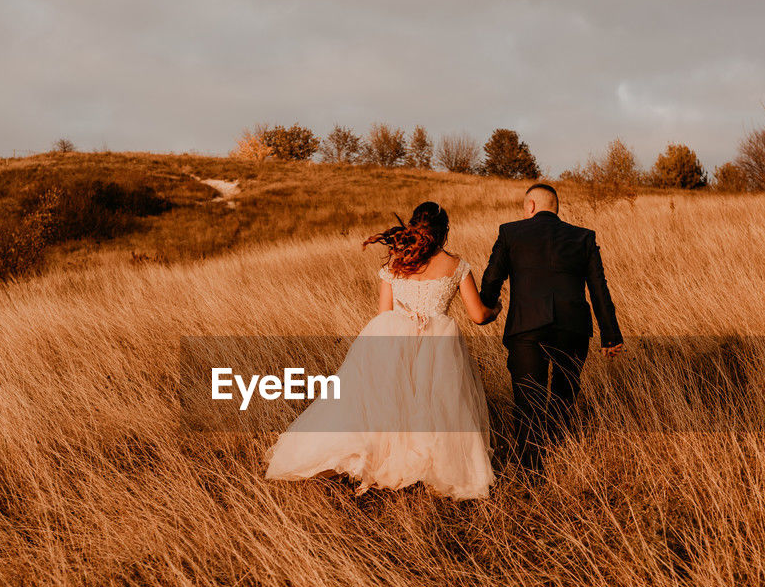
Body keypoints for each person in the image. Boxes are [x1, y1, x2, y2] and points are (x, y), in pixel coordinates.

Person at [266, 202, 499, 499]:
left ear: (414, 228)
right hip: (437, 342)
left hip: (391, 335)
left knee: (387, 401)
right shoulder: (456, 265)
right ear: (445, 232)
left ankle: (378, 459)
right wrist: (496, 308)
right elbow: (478, 316)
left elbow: (383, 311)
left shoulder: (397, 260)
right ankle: (426, 467)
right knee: (434, 405)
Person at [478, 183, 624, 470]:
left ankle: (531, 470)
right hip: (573, 329)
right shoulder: (583, 237)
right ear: (556, 207)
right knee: (564, 395)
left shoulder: (511, 233)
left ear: (530, 206)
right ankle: (558, 454)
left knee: (528, 399)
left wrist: (487, 308)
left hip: (527, 328)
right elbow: (599, 289)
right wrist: (610, 335)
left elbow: (492, 278)